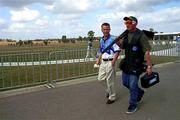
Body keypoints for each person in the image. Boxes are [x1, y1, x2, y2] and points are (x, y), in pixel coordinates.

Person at [117, 16, 152, 113]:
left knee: (132, 86)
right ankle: (139, 92)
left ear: (134, 23)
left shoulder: (141, 35)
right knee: (125, 83)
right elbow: (123, 47)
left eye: (129, 23)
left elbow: (147, 52)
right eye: (126, 23)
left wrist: (149, 66)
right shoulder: (126, 34)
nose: (126, 25)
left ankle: (133, 105)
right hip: (126, 63)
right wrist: (118, 42)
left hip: (136, 64)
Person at [95, 22, 120, 104]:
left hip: (110, 61)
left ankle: (112, 97)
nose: (106, 31)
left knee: (110, 81)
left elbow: (117, 51)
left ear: (110, 29)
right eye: (104, 29)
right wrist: (98, 59)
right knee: (100, 79)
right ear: (101, 30)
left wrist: (113, 62)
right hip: (103, 62)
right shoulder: (101, 39)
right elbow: (100, 50)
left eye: (107, 29)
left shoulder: (113, 39)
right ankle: (109, 90)